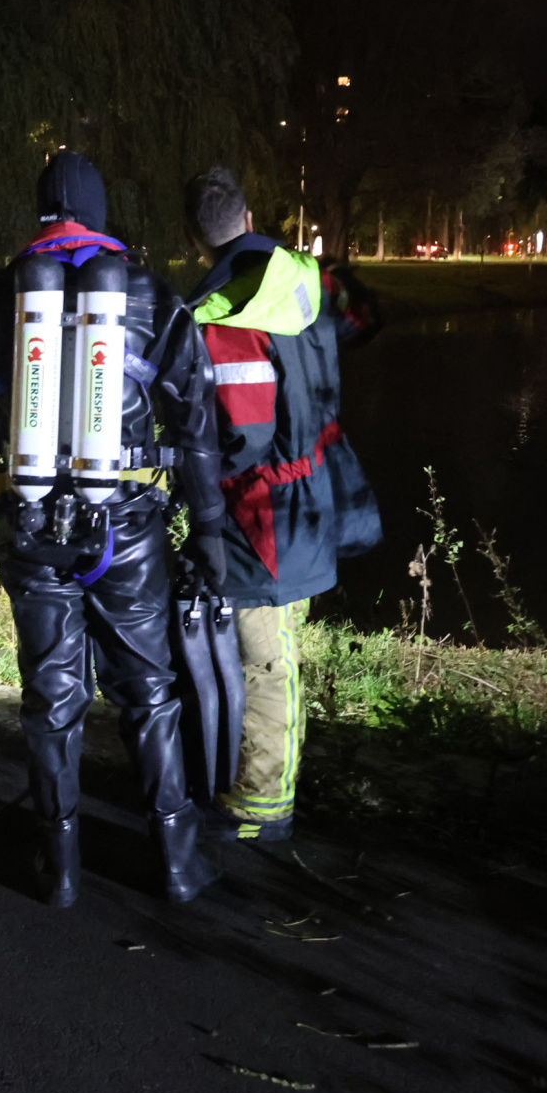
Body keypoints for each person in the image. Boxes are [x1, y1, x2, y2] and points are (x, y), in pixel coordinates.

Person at [0, 150, 226, 907]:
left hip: (28, 524)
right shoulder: (154, 298)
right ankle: (178, 862)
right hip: (125, 525)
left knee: (51, 697)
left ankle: (57, 867)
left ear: (38, 215)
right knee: (149, 692)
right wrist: (211, 535)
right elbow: (196, 428)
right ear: (97, 214)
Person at [181, 166, 380, 843]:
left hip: (262, 516)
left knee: (266, 658)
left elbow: (242, 434)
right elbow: (361, 319)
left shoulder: (220, 314)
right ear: (249, 214)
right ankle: (262, 779)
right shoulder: (306, 277)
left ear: (194, 236)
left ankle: (265, 803)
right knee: (279, 649)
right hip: (317, 496)